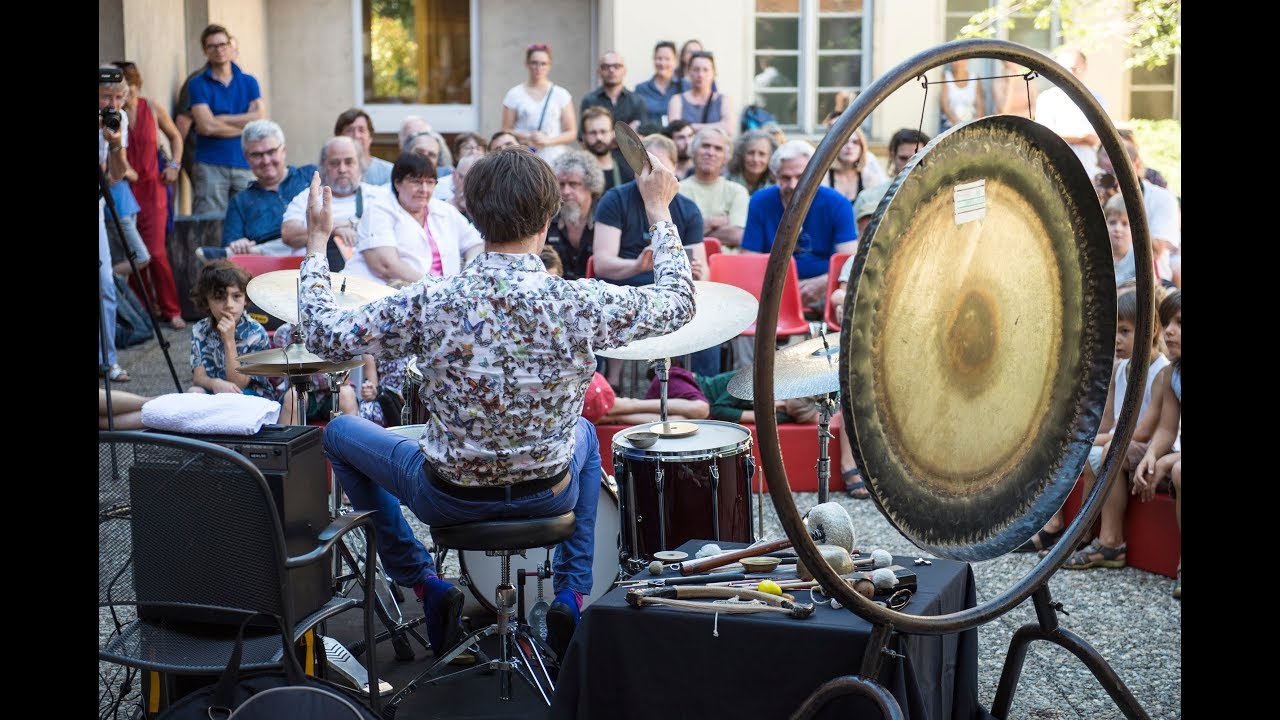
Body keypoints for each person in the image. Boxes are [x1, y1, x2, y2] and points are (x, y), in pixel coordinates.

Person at [295, 141, 695, 661]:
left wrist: (316, 244)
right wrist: (659, 210)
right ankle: (572, 591)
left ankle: (423, 581)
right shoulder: (577, 300)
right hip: (549, 494)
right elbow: (680, 303)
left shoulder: (432, 299)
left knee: (340, 434)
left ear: (472, 215)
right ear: (549, 215)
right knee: (583, 436)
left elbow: (323, 335)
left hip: (448, 497)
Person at [1021, 285, 1170, 555]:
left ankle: (1086, 534)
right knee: (1070, 447)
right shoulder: (1120, 370)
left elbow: (1143, 432)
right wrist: (1081, 438)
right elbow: (1108, 424)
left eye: (1124, 331)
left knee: (1100, 453)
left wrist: (1093, 440)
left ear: (1152, 330)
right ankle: (1061, 528)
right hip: (1119, 439)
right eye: (1114, 331)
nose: (1116, 340)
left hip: (1146, 448)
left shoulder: (1162, 372)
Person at [742, 140, 858, 309]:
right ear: (776, 177)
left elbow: (849, 261)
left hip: (824, 289)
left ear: (815, 175)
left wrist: (823, 283)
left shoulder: (838, 204)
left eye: (801, 177)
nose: (793, 185)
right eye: (785, 178)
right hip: (770, 290)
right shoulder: (760, 201)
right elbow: (749, 260)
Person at [114, 61, 185, 329]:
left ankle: (171, 308)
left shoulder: (152, 108)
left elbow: (176, 137)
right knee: (133, 253)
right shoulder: (111, 113)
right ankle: (144, 311)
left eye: (129, 86)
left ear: (136, 85)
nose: (126, 93)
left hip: (153, 188)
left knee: (155, 252)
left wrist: (174, 166)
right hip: (123, 189)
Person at [341, 152, 483, 286]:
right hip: (381, 297)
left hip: (440, 297)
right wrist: (439, 288)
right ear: (397, 183)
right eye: (416, 182)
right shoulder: (379, 210)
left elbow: (475, 244)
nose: (424, 189)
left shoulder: (444, 210)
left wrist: (469, 270)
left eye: (430, 182)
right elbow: (387, 265)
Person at [199, 119, 318, 261]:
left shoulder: (310, 176)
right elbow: (231, 246)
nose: (266, 160)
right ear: (246, 159)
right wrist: (238, 244)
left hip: (317, 255)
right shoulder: (241, 201)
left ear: (283, 150)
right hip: (269, 270)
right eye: (257, 155)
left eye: (271, 152)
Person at [186, 24, 265, 215]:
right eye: (212, 46)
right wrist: (245, 126)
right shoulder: (197, 84)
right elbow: (206, 127)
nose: (219, 50)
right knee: (210, 224)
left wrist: (221, 119)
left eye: (223, 44)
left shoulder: (249, 81)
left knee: (249, 221)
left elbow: (259, 118)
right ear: (205, 51)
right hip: (210, 165)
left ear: (231, 46)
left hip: (245, 163)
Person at [1132, 290, 1181, 598]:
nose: (1169, 331)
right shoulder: (1174, 373)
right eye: (1167, 323)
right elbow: (1166, 427)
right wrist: (1151, 456)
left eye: (1179, 323)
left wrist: (1167, 462)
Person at [280, 136, 391, 268]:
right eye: (335, 163)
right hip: (314, 276)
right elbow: (288, 235)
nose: (342, 169)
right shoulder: (309, 197)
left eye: (349, 162)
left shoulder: (379, 196)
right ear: (323, 166)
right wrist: (334, 229)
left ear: (360, 165)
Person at [1096, 138, 1181, 286]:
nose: (1113, 178)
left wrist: (1124, 202)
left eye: (1117, 171)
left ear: (1135, 165)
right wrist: (1097, 204)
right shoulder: (1099, 195)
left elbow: (1154, 251)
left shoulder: (1162, 198)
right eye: (1106, 173)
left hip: (1148, 282)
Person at [185, 260, 274, 398]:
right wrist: (214, 383)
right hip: (215, 391)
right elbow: (198, 377)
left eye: (236, 296)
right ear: (206, 301)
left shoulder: (256, 333)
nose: (229, 305)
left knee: (234, 398)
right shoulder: (200, 329)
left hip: (249, 396)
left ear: (245, 299)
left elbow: (239, 384)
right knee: (193, 392)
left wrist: (229, 340)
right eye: (219, 297)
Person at [100, 65, 132, 383]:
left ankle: (108, 361)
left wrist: (115, 142)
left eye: (118, 97)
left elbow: (118, 174)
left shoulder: (118, 120)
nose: (113, 104)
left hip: (99, 202)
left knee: (105, 284)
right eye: (106, 97)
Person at [502, 43, 577, 163]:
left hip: (554, 159)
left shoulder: (561, 94)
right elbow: (505, 130)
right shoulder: (514, 94)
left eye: (543, 64)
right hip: (525, 157)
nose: (538, 67)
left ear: (549, 66)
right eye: (534, 63)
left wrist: (547, 141)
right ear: (527, 64)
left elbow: (571, 132)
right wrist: (528, 136)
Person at [1036, 47, 1104, 178]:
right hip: (1055, 171)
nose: (1071, 74)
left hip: (1088, 171)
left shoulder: (1096, 100)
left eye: (1075, 68)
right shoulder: (1046, 98)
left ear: (1085, 68)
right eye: (1066, 69)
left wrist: (1063, 134)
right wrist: (1082, 136)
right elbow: (1045, 136)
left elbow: (1095, 139)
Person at [679, 127, 749, 249]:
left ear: (725, 158)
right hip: (689, 263)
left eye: (718, 149)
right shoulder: (676, 190)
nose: (711, 153)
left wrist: (691, 230)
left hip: (726, 264)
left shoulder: (737, 191)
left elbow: (737, 235)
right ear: (693, 152)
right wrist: (712, 222)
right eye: (705, 146)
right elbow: (675, 237)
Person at [545, 149, 605, 280]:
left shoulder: (606, 216)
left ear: (591, 185)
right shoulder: (547, 218)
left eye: (573, 184)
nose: (566, 191)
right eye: (561, 185)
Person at [667, 52, 735, 139]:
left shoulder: (724, 100)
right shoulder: (676, 100)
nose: (700, 75)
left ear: (714, 73)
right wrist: (718, 127)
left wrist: (691, 127)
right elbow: (675, 131)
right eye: (696, 69)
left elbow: (729, 128)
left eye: (705, 70)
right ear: (689, 72)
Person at [580, 51, 647, 134]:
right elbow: (583, 137)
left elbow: (641, 137)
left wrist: (604, 134)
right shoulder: (589, 101)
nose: (611, 70)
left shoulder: (637, 101)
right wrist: (626, 133)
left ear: (625, 71)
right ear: (598, 71)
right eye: (606, 66)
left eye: (617, 66)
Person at [821, 127, 888, 204]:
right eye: (844, 142)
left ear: (862, 148)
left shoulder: (869, 179)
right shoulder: (824, 178)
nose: (849, 146)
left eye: (855, 142)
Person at [581, 106, 635, 193]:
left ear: (612, 133)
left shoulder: (628, 170)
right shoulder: (577, 173)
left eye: (603, 132)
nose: (599, 137)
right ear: (584, 136)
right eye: (592, 133)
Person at [335, 108, 393, 186]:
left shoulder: (389, 172)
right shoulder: (330, 173)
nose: (356, 135)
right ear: (339, 137)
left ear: (370, 137)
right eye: (349, 130)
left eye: (361, 130)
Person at [634, 41, 681, 134]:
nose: (663, 63)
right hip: (650, 139)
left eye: (667, 59)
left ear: (675, 61)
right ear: (653, 60)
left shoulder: (684, 86)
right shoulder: (641, 89)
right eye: (659, 58)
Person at [938, 59, 984, 133]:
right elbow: (945, 106)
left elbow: (980, 107)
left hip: (971, 126)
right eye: (956, 60)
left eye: (962, 60)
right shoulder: (946, 76)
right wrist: (959, 126)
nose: (959, 62)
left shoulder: (975, 78)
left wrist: (976, 126)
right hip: (949, 126)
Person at [727, 129, 778, 196]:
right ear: (741, 155)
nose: (755, 159)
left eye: (762, 154)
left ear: (771, 158)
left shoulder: (776, 187)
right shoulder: (728, 183)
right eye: (751, 153)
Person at [1104, 193, 1137, 286]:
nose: (1118, 229)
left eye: (1125, 223)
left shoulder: (1139, 258)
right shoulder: (1097, 255)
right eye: (1112, 222)